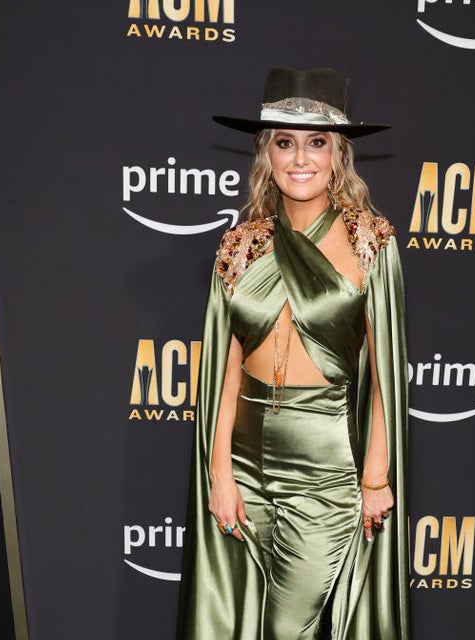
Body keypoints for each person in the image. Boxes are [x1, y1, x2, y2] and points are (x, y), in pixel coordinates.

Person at [177, 65, 410, 640]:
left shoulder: (369, 241)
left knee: (287, 628)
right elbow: (226, 372)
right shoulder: (241, 244)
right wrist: (219, 473)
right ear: (267, 154)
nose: (300, 158)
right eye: (285, 142)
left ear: (338, 155)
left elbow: (384, 373)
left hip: (325, 468)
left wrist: (376, 477)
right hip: (245, 462)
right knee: (241, 621)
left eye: (316, 143)